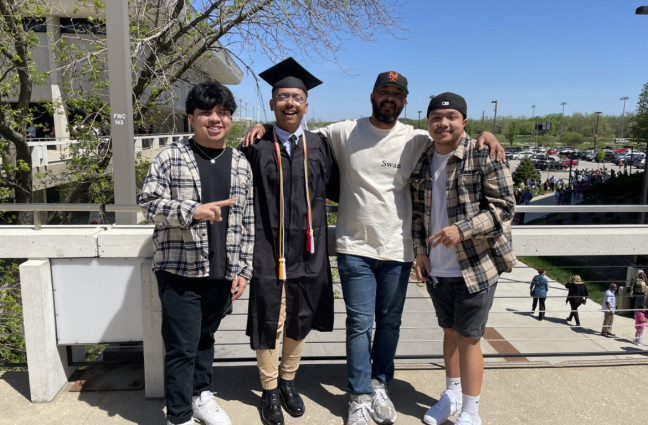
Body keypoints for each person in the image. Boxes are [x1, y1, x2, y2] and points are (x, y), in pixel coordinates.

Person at [245, 71, 503, 425]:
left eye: (396, 94)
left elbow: (452, 137)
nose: (389, 98)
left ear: (404, 101)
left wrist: (485, 135)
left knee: (390, 324)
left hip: (398, 250)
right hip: (354, 247)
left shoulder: (417, 138)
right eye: (384, 91)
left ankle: (380, 383)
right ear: (372, 96)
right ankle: (358, 393)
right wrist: (262, 126)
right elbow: (292, 129)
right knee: (359, 325)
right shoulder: (341, 132)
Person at [139, 81, 254, 425]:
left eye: (222, 113)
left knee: (205, 338)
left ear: (231, 119)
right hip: (179, 271)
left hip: (223, 270)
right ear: (192, 117)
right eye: (206, 112)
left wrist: (244, 269)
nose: (215, 119)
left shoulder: (240, 163)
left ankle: (201, 395)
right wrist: (192, 211)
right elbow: (148, 204)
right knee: (181, 347)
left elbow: (248, 219)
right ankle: (179, 415)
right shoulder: (171, 157)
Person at [241, 58, 337, 425]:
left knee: (302, 316)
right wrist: (258, 130)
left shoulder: (320, 145)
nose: (290, 103)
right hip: (267, 247)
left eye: (297, 97)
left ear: (307, 104)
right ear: (271, 104)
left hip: (310, 249)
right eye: (282, 97)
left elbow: (342, 187)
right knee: (268, 317)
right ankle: (268, 390)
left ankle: (287, 382)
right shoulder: (255, 145)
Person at [411, 92, 516, 425]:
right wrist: (420, 252)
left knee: (470, 340)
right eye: (436, 118)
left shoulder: (484, 153)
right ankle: (452, 395)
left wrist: (463, 230)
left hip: (475, 266)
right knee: (449, 333)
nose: (443, 123)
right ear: (428, 123)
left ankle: (471, 411)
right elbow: (417, 214)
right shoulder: (423, 158)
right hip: (438, 268)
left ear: (464, 122)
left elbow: (504, 208)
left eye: (451, 117)